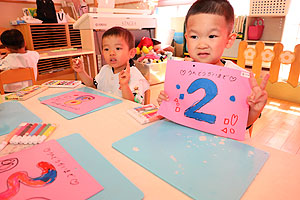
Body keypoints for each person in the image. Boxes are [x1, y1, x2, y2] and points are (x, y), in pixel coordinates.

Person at [157, 0, 269, 128]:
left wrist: (255, 110)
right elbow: (179, 110)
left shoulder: (239, 78)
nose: (202, 45)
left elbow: (240, 125)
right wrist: (166, 101)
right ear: (186, 38)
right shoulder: (181, 72)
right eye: (194, 37)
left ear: (229, 40)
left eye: (212, 36)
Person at [72, 26, 149, 104]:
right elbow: (92, 85)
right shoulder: (105, 69)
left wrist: (124, 85)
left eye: (118, 48)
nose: (111, 53)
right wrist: (81, 71)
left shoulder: (136, 76)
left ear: (131, 53)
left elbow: (133, 104)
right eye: (106, 49)